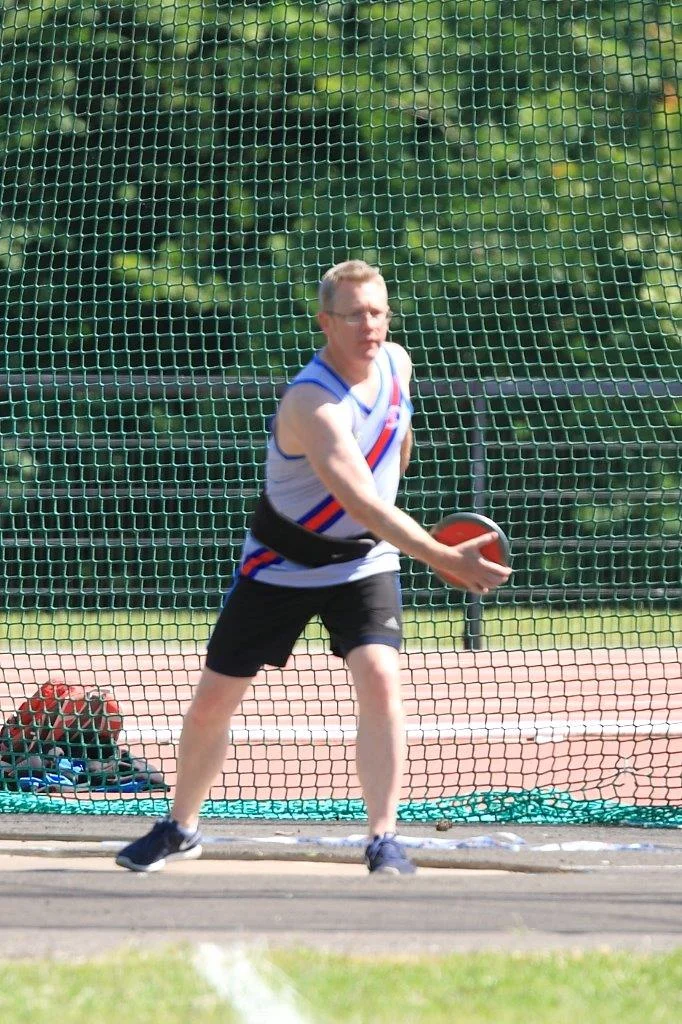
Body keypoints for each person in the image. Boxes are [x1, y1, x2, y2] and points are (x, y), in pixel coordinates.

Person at [115, 260, 511, 875]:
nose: (368, 325)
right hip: (283, 561)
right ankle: (181, 826)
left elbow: (397, 444)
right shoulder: (312, 400)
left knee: (380, 677)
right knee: (214, 700)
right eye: (353, 315)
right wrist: (442, 557)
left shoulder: (398, 364)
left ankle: (383, 837)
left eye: (377, 312)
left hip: (363, 560)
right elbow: (362, 501)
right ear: (326, 322)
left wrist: (406, 502)